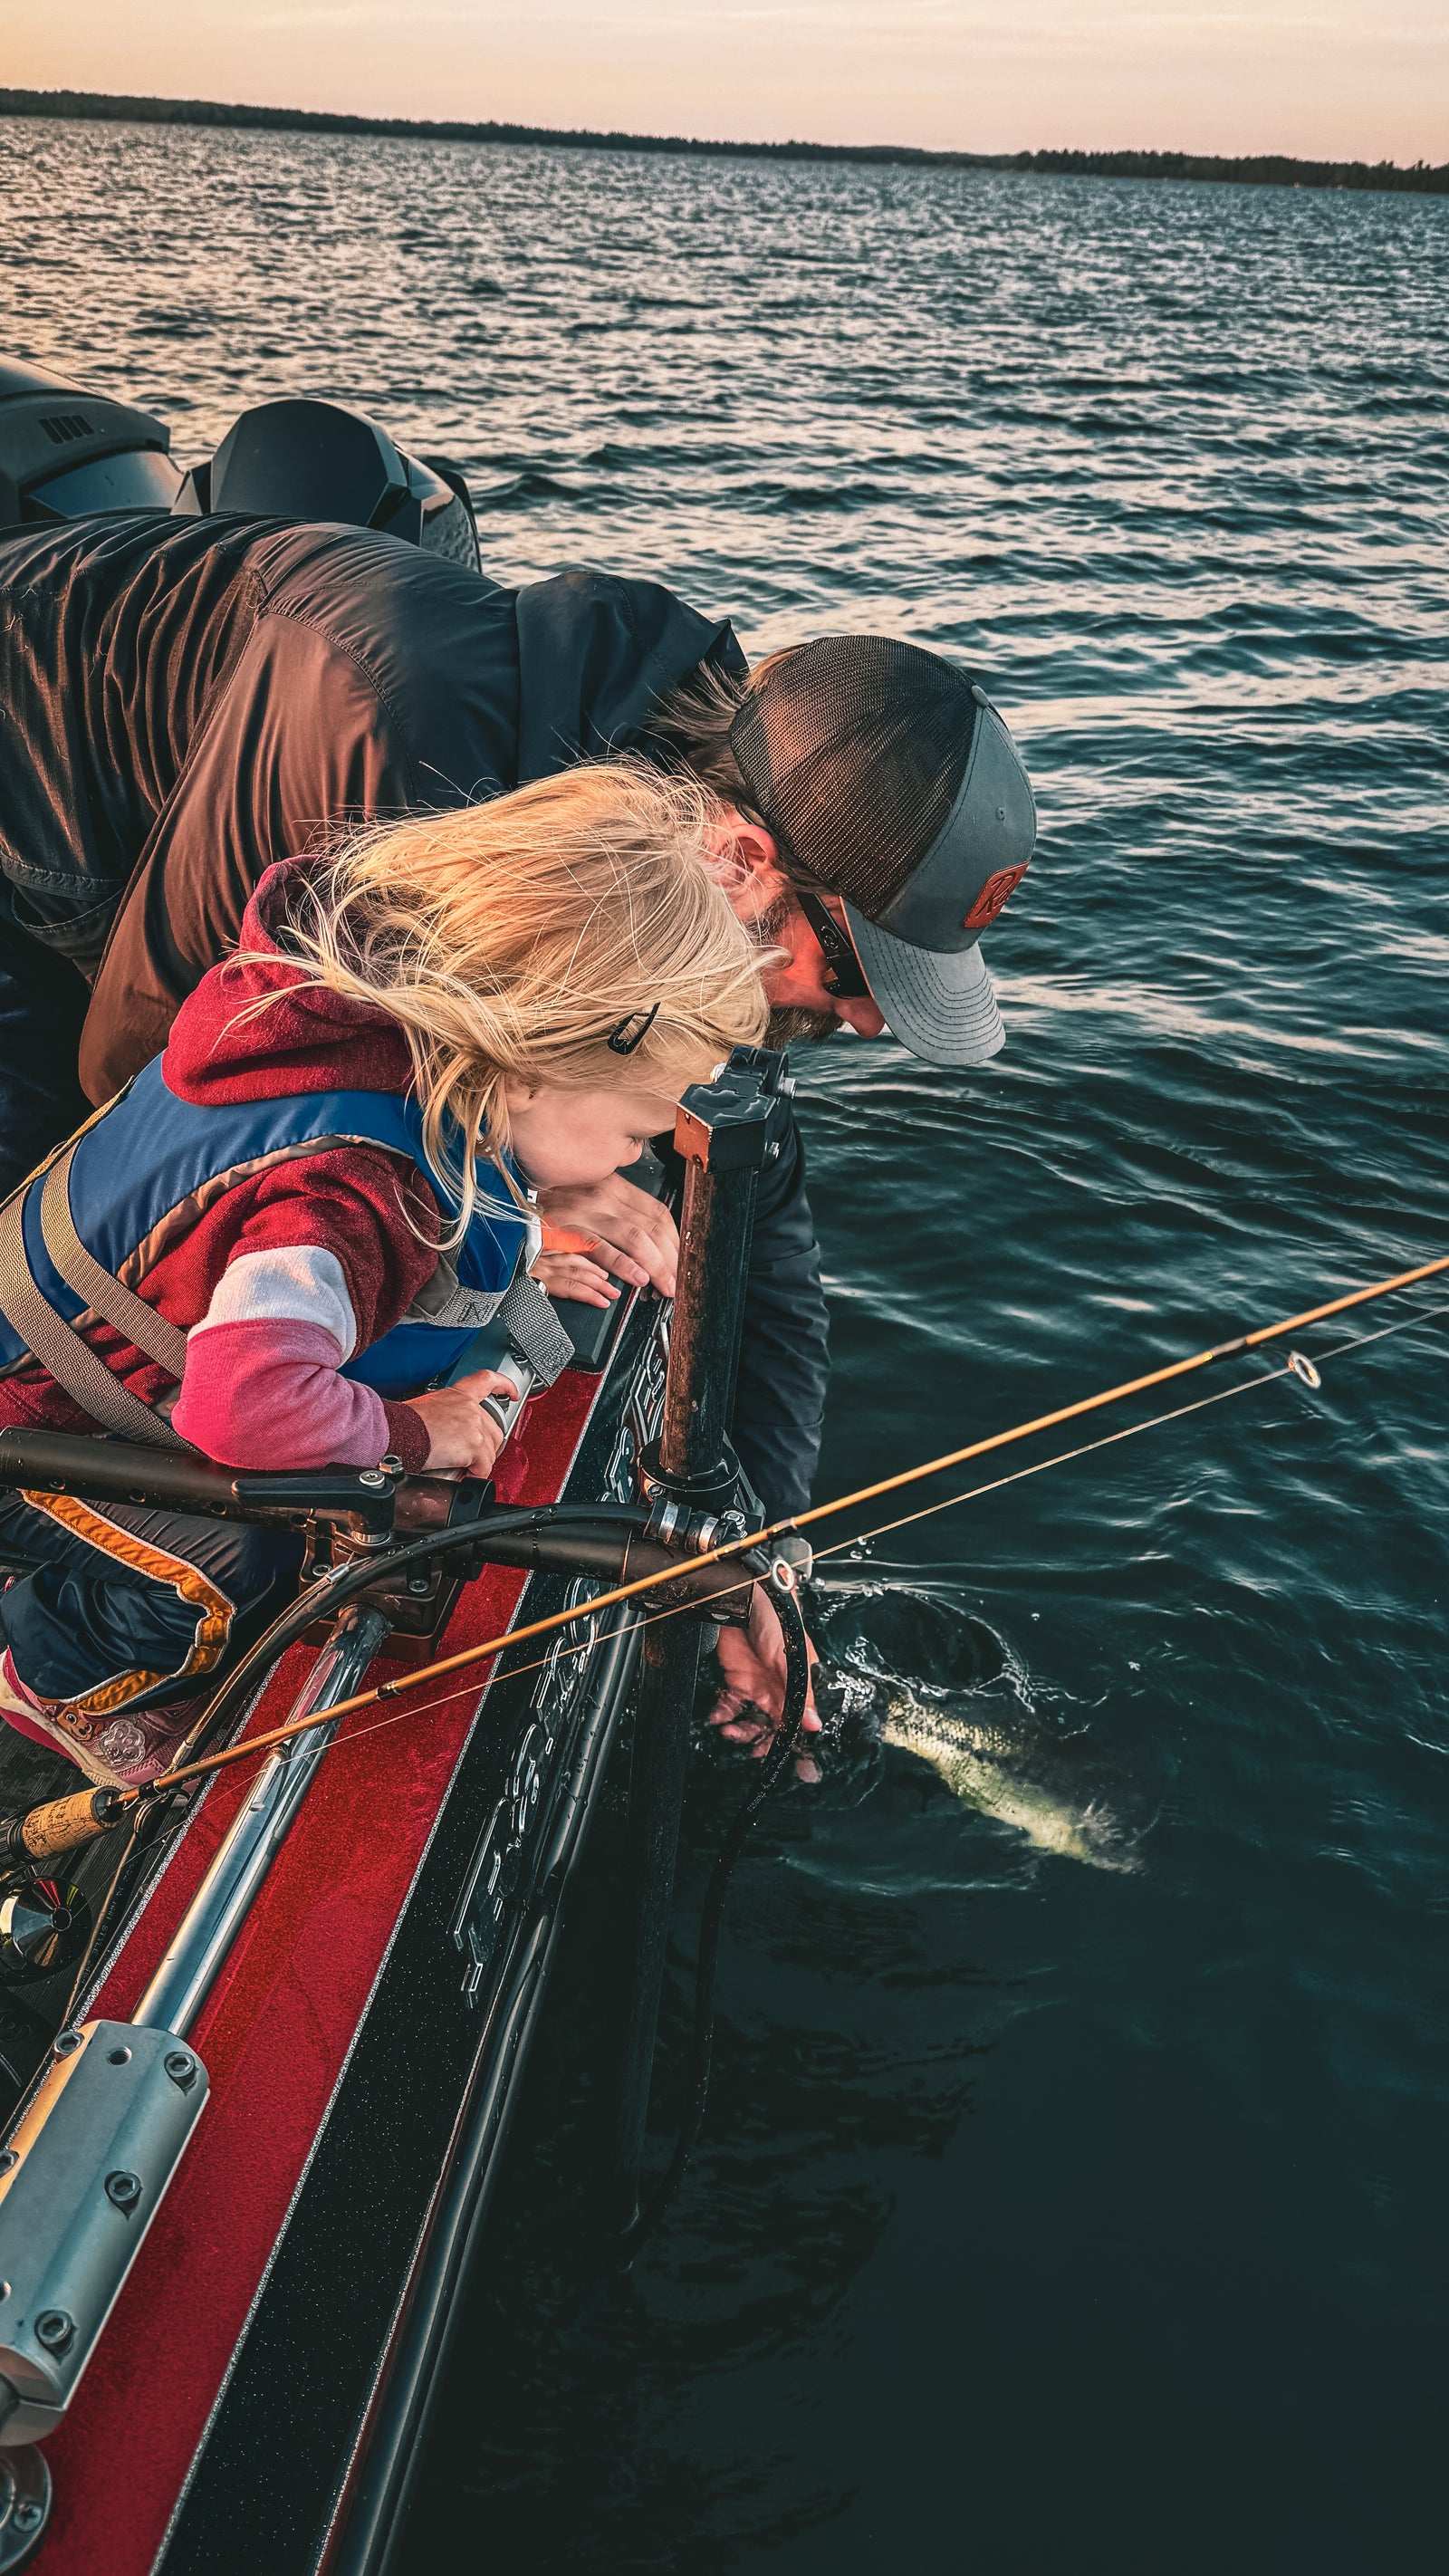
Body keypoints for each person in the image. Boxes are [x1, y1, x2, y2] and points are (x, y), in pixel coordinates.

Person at [0, 513, 1036, 1723]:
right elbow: (159, 1066)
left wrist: (755, 1559)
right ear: (746, 861)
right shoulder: (397, 768)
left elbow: (759, 1225)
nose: (865, 1027)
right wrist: (500, 1196)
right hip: (47, 772)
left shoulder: (694, 900)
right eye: (857, 980)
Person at [0, 764, 794, 1790]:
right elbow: (243, 1405)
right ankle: (56, 1680)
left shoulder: (340, 1018)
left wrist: (523, 1214)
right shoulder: (355, 1193)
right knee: (226, 1568)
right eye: (638, 1128)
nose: (630, 1160)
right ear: (525, 1064)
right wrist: (423, 1430)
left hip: (57, 1356)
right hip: (33, 1430)